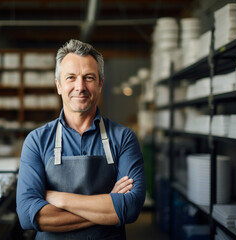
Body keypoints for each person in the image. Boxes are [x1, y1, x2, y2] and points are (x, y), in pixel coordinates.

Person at [16, 39, 146, 239]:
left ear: (100, 84)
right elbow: (28, 216)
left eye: (89, 78)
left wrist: (58, 198)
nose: (80, 86)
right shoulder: (36, 141)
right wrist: (109, 207)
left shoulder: (123, 138)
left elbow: (130, 208)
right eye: (71, 77)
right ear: (58, 85)